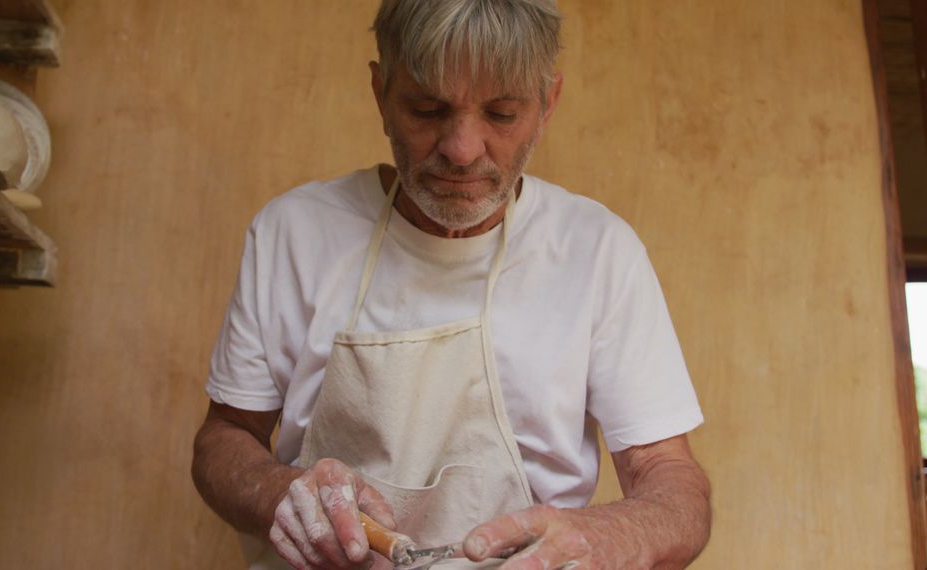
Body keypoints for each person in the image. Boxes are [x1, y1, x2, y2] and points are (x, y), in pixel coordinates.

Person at [192, 1, 712, 568]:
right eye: (427, 108)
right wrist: (280, 496)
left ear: (547, 104)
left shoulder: (598, 253)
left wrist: (608, 536)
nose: (462, 150)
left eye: (502, 114)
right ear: (380, 93)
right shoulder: (293, 233)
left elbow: (673, 486)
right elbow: (224, 438)